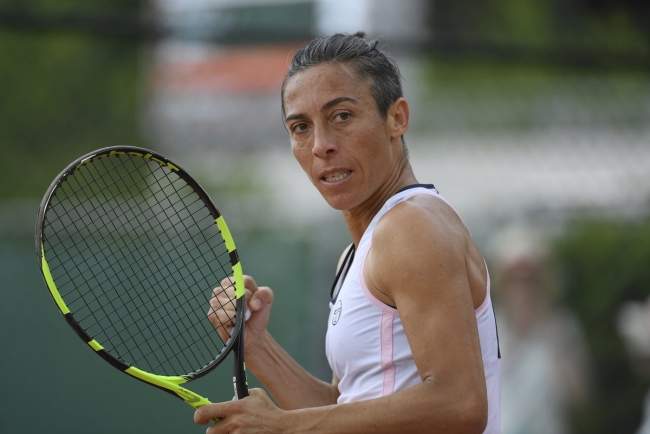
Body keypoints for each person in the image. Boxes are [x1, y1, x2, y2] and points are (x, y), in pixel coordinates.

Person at [195, 32, 501, 434]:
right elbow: (347, 411)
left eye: (341, 116)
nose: (321, 145)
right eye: (301, 127)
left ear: (397, 118)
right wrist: (258, 348)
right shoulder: (362, 250)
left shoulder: (412, 228)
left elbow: (459, 404)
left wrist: (284, 427)